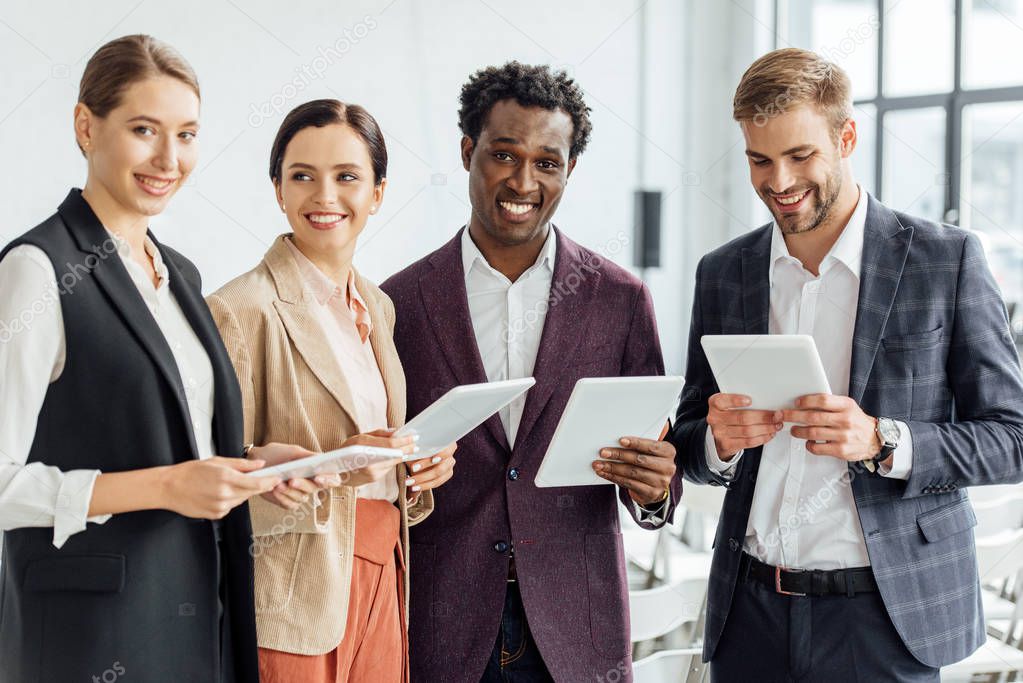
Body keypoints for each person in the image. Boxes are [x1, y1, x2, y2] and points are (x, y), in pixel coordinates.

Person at [669, 47, 1023, 682]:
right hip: (749, 614)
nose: (778, 181)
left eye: (800, 156)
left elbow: (1012, 437)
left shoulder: (946, 261)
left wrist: (886, 442)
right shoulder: (723, 272)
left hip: (886, 619)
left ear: (846, 136)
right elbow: (690, 442)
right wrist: (718, 443)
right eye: (759, 159)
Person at [0, 34, 320, 682]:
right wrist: (169, 486)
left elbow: (175, 438)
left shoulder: (178, 274)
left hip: (204, 624)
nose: (169, 158)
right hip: (91, 641)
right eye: (145, 129)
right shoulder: (37, 270)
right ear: (85, 126)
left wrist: (255, 465)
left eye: (187, 134)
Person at [382, 62, 680, 683]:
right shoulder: (400, 303)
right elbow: (386, 471)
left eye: (548, 162)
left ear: (569, 171)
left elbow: (657, 479)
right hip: (443, 627)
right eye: (504, 155)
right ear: (468, 153)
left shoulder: (619, 301)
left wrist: (655, 489)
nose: (524, 180)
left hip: (578, 633)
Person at [207, 98, 457, 683]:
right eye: (302, 176)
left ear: (377, 192)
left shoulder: (379, 306)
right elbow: (203, 469)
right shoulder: (240, 309)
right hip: (295, 588)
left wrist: (415, 468)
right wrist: (282, 467)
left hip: (383, 568)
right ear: (278, 189)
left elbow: (380, 457)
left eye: (347, 176)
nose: (324, 196)